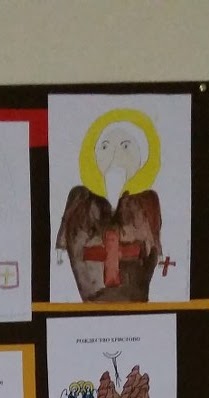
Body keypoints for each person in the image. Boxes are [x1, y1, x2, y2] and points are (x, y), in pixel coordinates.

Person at [55, 112, 162, 302]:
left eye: (125, 146)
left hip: (135, 298)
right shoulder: (80, 200)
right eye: (105, 146)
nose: (115, 154)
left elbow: (153, 247)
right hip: (91, 297)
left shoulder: (146, 202)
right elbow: (66, 248)